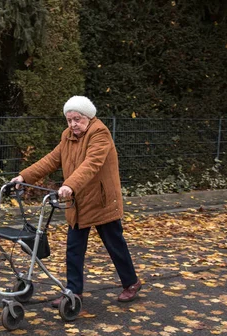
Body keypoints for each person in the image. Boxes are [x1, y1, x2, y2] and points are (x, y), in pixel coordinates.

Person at [11, 95, 141, 307]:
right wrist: (24, 177)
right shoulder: (67, 136)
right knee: (73, 247)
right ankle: (73, 292)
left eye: (77, 119)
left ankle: (131, 283)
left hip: (101, 200)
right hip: (78, 202)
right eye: (69, 120)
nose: (73, 124)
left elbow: (92, 163)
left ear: (89, 117)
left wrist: (69, 185)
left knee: (114, 244)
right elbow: (52, 159)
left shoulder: (100, 134)